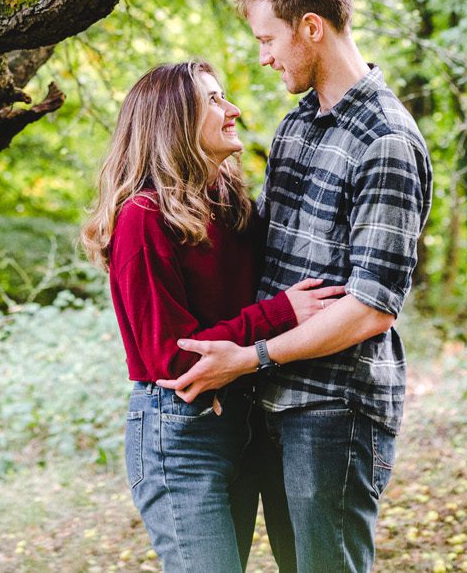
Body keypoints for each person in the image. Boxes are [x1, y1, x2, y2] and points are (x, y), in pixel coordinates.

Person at [160, 0, 433, 573]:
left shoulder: (386, 139)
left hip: (334, 408)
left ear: (311, 27)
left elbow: (370, 310)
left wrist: (251, 356)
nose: (263, 56)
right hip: (273, 401)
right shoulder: (296, 127)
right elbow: (260, 257)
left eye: (267, 38)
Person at [81, 60, 345, 573]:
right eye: (215, 100)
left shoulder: (229, 205)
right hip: (179, 436)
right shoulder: (143, 218)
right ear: (175, 121)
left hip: (242, 423)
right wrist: (281, 313)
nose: (234, 110)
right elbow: (174, 360)